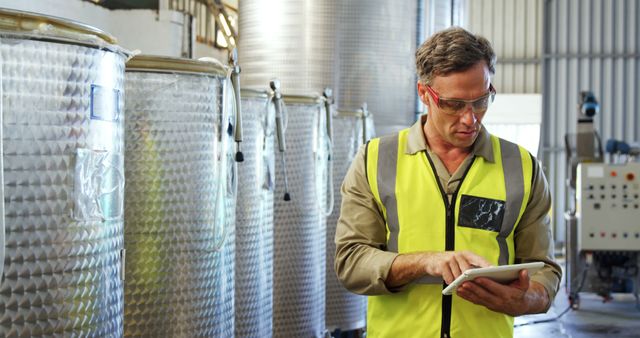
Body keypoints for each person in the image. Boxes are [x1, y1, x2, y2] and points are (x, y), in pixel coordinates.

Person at [334, 27, 562, 338]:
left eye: (482, 101)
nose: (471, 119)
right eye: (454, 105)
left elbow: (545, 269)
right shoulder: (376, 160)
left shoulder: (521, 167)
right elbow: (351, 263)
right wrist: (426, 262)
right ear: (423, 93)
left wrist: (526, 298)